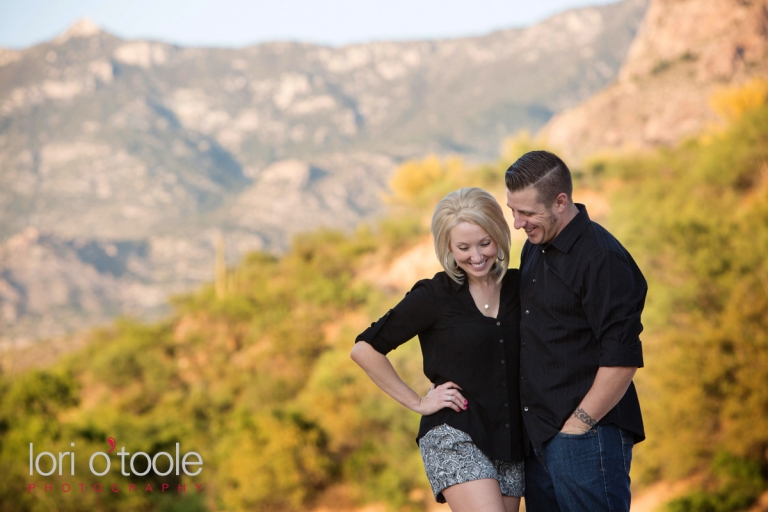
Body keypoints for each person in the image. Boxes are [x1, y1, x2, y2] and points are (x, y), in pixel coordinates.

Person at [350, 187, 525, 512]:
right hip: (454, 433)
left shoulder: (521, 286)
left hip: (510, 441)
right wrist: (418, 402)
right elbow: (364, 350)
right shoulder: (434, 296)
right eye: (463, 247)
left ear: (500, 235)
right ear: (448, 247)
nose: (476, 256)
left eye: (485, 243)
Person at [504, 150, 646, 512]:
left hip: (586, 438)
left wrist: (577, 427)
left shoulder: (601, 257)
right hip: (540, 440)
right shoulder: (535, 247)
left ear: (560, 201)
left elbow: (622, 359)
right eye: (513, 211)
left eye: (527, 213)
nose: (518, 223)